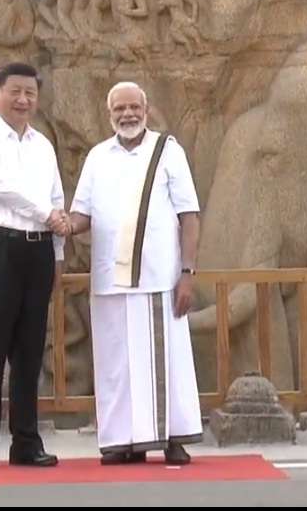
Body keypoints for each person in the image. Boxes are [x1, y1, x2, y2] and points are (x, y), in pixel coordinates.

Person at [66, 81, 203, 465]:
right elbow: (82, 215)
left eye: (133, 107)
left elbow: (188, 214)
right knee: (116, 364)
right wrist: (61, 222)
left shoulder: (167, 152)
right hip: (111, 279)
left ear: (146, 109)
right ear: (108, 114)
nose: (127, 115)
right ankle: (122, 441)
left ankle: (172, 437)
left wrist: (188, 272)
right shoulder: (97, 157)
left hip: (159, 277)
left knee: (165, 360)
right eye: (119, 109)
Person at [0, 62, 67, 470]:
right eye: (15, 92)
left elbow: (56, 198)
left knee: (30, 349)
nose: (23, 100)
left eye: (30, 94)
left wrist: (57, 254)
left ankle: (26, 441)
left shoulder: (42, 145)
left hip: (36, 250)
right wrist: (46, 214)